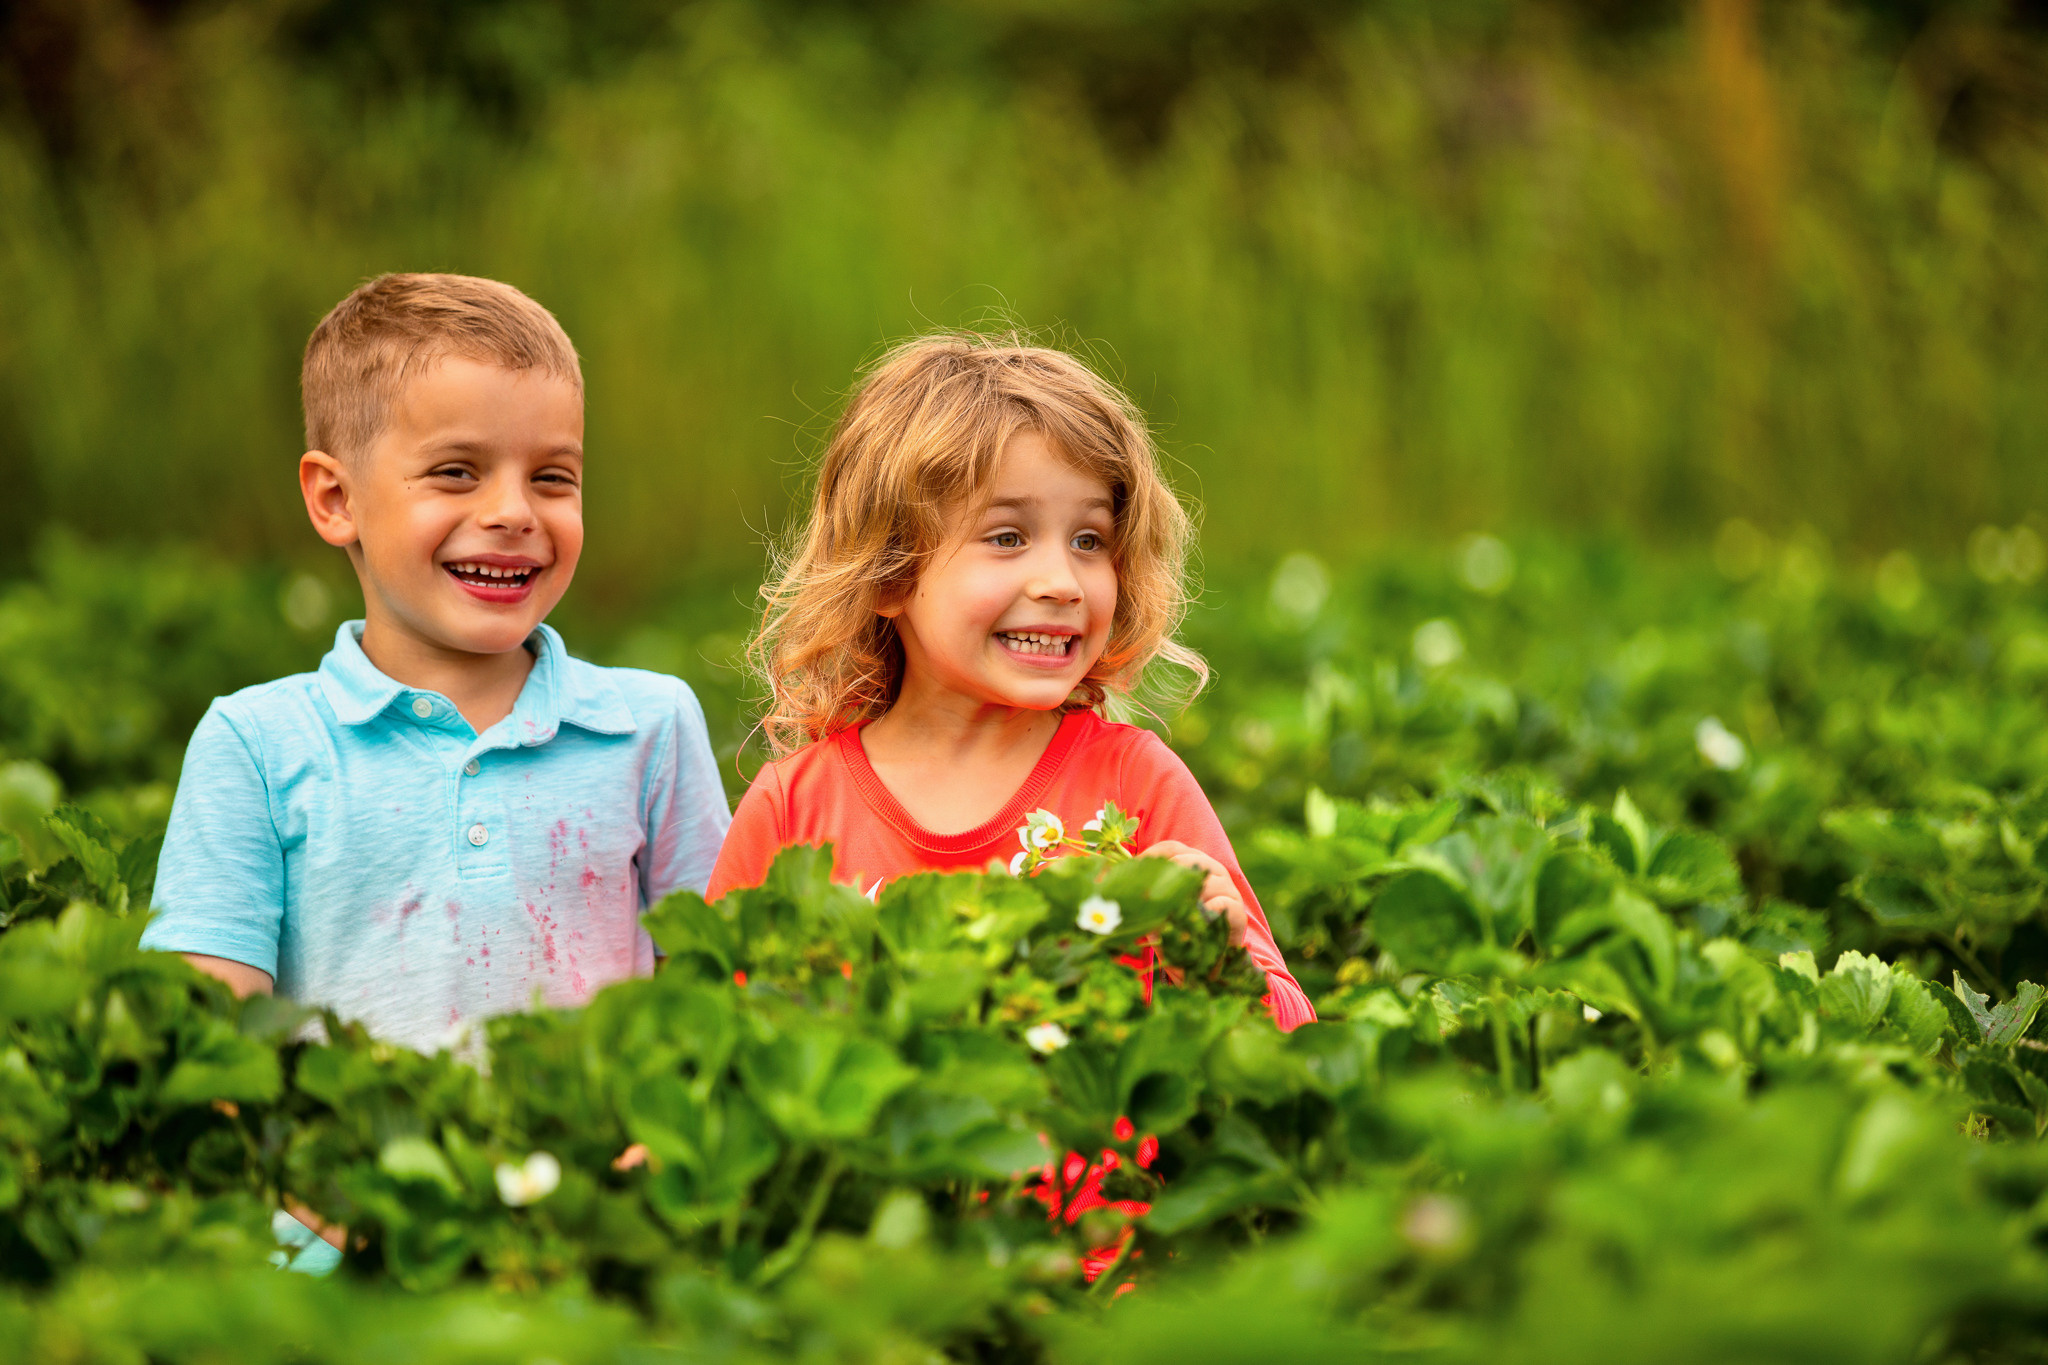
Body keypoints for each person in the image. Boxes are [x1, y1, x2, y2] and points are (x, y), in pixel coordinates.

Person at [142, 273, 732, 1051]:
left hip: (597, 1135)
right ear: (335, 499)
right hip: (352, 1135)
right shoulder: (257, 747)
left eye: (552, 477)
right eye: (457, 471)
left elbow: (717, 998)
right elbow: (209, 1040)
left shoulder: (649, 728)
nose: (513, 512)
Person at [708, 333, 1312, 1031]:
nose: (1061, 582)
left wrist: (1219, 964)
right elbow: (709, 1037)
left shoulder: (1136, 784)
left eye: (1089, 541)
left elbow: (1291, 1039)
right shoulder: (793, 808)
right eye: (1007, 538)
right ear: (890, 575)